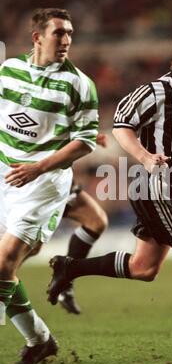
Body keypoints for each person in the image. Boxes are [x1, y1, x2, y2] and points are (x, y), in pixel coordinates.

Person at [47, 25, 172, 344]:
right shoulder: (156, 91)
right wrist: (146, 157)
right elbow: (121, 125)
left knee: (144, 268)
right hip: (156, 190)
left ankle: (70, 267)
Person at [0, 8, 99, 364]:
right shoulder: (8, 71)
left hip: (43, 184)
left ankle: (38, 339)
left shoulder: (79, 84)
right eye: (59, 33)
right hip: (4, 177)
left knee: (3, 264)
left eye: (70, 33)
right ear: (37, 37)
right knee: (3, 270)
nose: (67, 39)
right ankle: (40, 340)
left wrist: (37, 167)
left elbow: (85, 142)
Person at [26, 134, 108, 315]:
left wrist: (87, 136)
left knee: (95, 221)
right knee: (28, 247)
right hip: (37, 179)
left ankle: (65, 281)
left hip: (55, 176)